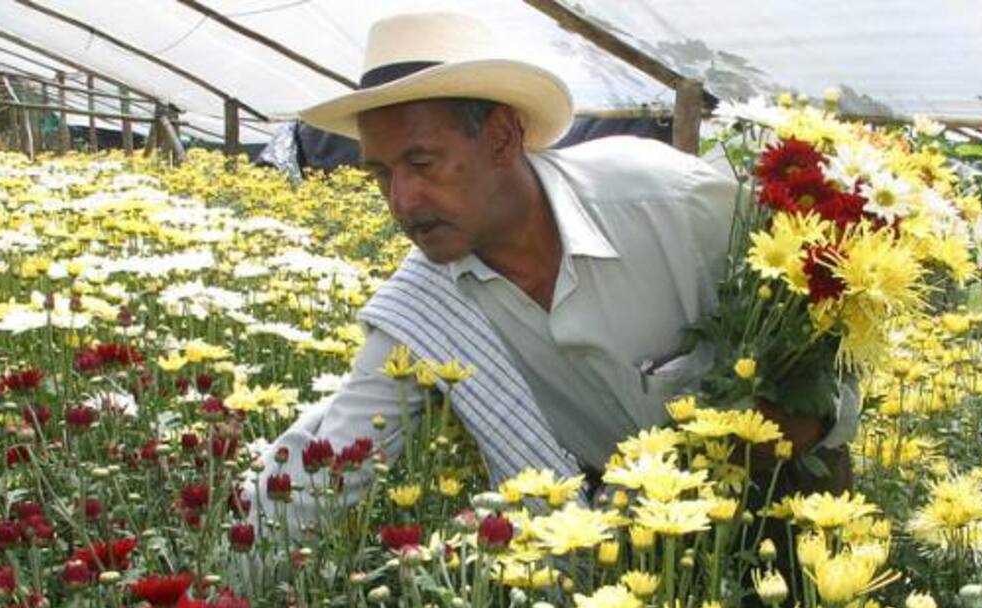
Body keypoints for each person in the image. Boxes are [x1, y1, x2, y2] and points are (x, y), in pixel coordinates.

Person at [244, 12, 857, 534]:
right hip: (626, 552)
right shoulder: (424, 305)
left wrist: (806, 419)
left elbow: (832, 334)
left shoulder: (673, 204)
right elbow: (332, 462)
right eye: (381, 174)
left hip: (792, 517)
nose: (402, 202)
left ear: (503, 137)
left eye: (423, 162)